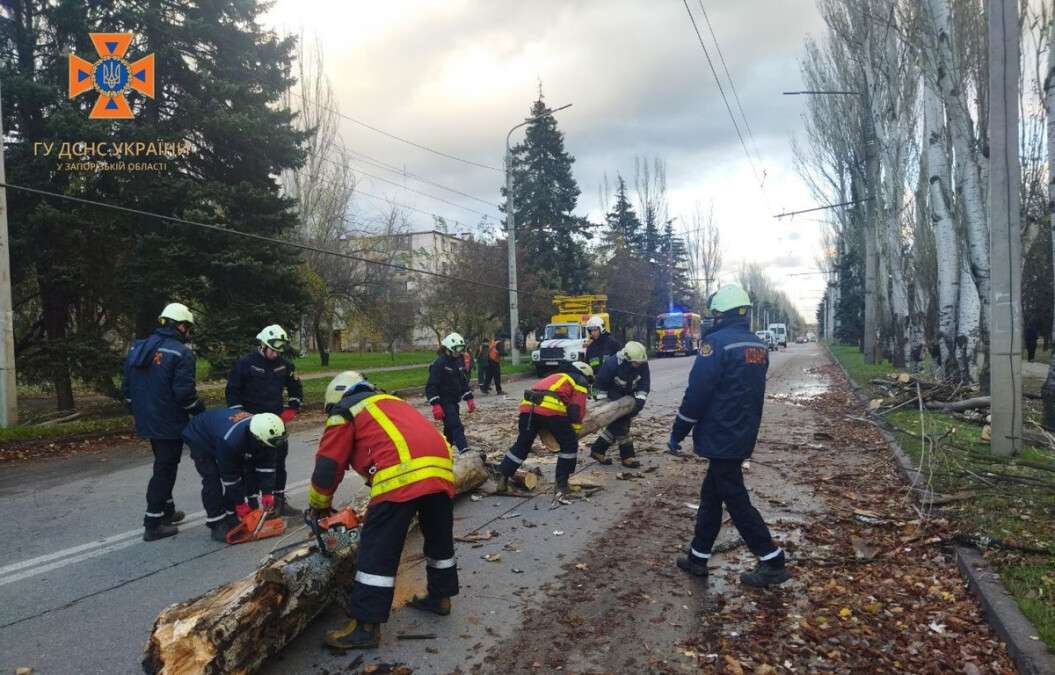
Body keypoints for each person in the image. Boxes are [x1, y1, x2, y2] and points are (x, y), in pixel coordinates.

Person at [309, 371, 459, 650]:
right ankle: (440, 597)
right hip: (441, 470)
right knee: (439, 539)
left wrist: (319, 505)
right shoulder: (391, 401)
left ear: (336, 398)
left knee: (377, 550)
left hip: (401, 476)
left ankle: (365, 626)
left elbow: (329, 466)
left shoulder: (345, 411)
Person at [667, 283, 790, 587]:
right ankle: (698, 557)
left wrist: (678, 431)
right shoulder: (758, 346)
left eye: (715, 314)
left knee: (735, 499)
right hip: (741, 432)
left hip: (721, 434)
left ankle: (771, 560)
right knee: (712, 495)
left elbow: (698, 394)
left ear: (722, 315)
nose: (712, 319)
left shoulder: (716, 346)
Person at [122, 302, 206, 542]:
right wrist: (200, 413)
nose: (188, 332)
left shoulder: (139, 347)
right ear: (180, 326)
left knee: (164, 461)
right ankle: (153, 522)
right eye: (188, 327)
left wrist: (138, 410)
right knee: (165, 469)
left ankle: (167, 511)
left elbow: (126, 387)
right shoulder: (181, 352)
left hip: (147, 417)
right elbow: (184, 393)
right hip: (169, 419)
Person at [226, 324, 304, 516]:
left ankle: (279, 501)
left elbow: (296, 388)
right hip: (250, 423)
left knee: (279, 462)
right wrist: (239, 416)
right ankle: (252, 503)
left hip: (276, 422)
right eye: (273, 350)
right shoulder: (245, 363)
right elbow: (232, 391)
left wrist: (292, 408)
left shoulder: (285, 365)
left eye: (279, 351)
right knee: (250, 464)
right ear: (262, 345)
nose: (275, 354)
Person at [181, 408, 286, 542]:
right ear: (256, 437)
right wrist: (240, 503)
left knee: (243, 471)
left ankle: (231, 516)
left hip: (221, 431)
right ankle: (216, 523)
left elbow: (266, 467)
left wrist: (267, 493)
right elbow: (230, 477)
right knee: (212, 479)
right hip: (199, 435)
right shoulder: (230, 442)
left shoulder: (268, 437)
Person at [495, 361, 594, 500]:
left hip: (527, 408)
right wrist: (574, 432)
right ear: (586, 375)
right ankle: (562, 485)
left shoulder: (557, 376)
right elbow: (576, 410)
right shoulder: (579, 380)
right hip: (550, 408)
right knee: (569, 445)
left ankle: (503, 478)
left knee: (523, 443)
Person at [589, 341, 650, 469]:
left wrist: (639, 401)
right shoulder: (611, 365)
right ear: (626, 359)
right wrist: (604, 406)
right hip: (611, 396)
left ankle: (598, 450)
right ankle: (627, 457)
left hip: (628, 397)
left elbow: (644, 384)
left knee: (619, 424)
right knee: (622, 424)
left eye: (640, 363)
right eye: (635, 363)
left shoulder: (641, 364)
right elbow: (598, 387)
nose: (638, 366)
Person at [426, 333, 475, 454]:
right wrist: (436, 405)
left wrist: (469, 398)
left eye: (461, 349)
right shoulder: (439, 364)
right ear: (448, 348)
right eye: (457, 349)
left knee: (449, 429)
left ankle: (444, 450)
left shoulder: (458, 362)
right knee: (456, 425)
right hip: (444, 401)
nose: (459, 352)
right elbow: (431, 385)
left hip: (453, 401)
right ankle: (464, 449)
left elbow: (462, 381)